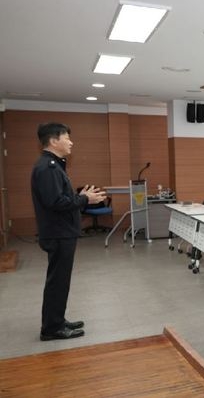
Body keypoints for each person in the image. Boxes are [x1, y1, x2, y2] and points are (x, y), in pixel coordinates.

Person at [31, 123, 106, 341]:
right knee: (58, 281)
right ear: (54, 141)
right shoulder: (48, 168)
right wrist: (84, 199)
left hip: (61, 231)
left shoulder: (53, 165)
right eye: (67, 138)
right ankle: (52, 328)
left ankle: (57, 320)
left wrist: (80, 197)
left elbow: (60, 198)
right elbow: (55, 202)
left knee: (60, 280)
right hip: (58, 232)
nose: (71, 142)